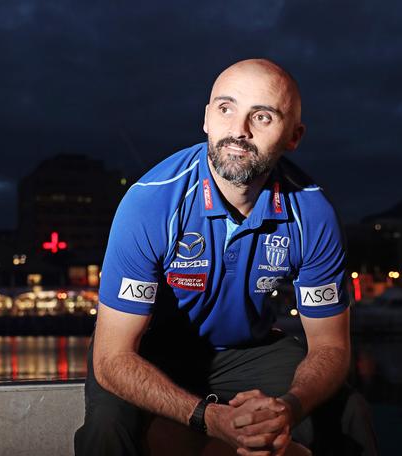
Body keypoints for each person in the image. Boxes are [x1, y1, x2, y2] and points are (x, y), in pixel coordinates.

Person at [74, 59, 377, 455]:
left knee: (349, 413)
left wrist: (289, 407)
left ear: (293, 136)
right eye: (225, 108)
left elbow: (330, 349)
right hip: (151, 348)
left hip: (246, 351)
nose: (238, 130)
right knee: (108, 427)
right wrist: (209, 418)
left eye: (262, 116)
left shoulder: (313, 215)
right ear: (206, 118)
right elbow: (113, 357)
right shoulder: (151, 202)